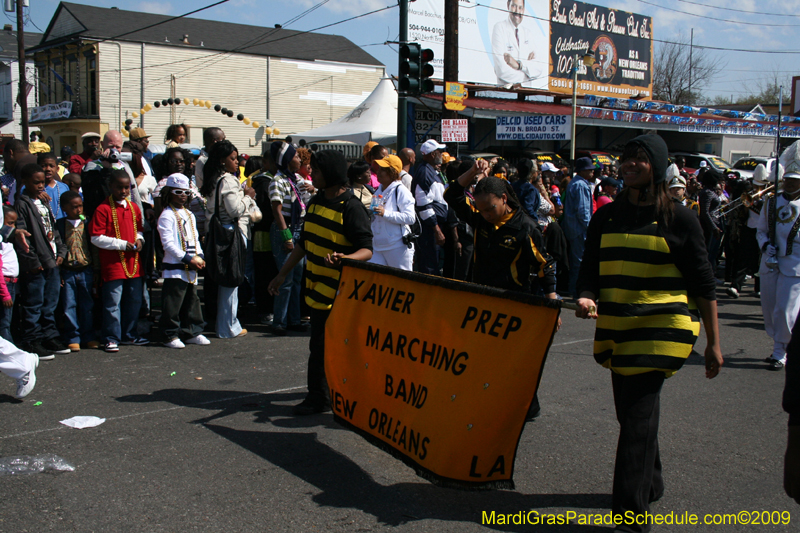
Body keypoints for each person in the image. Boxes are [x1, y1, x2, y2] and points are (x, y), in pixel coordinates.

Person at [575, 134, 722, 533]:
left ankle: (630, 518)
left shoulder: (680, 218)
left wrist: (714, 343)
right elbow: (589, 268)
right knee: (631, 417)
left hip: (661, 331)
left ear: (657, 166)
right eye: (626, 158)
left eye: (639, 159)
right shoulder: (606, 216)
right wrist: (586, 295)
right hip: (618, 328)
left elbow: (704, 283)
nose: (629, 164)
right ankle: (651, 482)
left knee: (637, 422)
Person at [268, 149, 373, 415]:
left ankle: (320, 398)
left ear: (332, 173)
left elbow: (366, 250)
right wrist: (282, 274)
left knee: (322, 347)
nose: (311, 173)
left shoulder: (351, 208)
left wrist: (346, 259)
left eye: (316, 169)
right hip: (315, 289)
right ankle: (327, 395)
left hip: (339, 293)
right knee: (320, 346)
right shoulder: (316, 201)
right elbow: (304, 243)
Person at [14, 163, 69, 360]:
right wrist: (32, 261)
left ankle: (49, 336)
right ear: (24, 182)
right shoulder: (22, 204)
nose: (40, 186)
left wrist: (61, 251)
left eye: (42, 182)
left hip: (52, 259)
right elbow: (23, 237)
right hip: (37, 264)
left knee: (50, 303)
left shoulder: (44, 202)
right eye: (35, 182)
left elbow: (53, 229)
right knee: (34, 303)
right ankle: (32, 339)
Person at [201, 140, 255, 339]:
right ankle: (229, 326)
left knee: (223, 281)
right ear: (222, 160)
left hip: (217, 233)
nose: (237, 162)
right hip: (231, 234)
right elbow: (235, 210)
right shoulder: (229, 181)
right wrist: (248, 196)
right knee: (231, 281)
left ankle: (225, 324)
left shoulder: (213, 179)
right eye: (233, 158)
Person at [90, 169, 148, 352]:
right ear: (111, 187)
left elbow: (139, 230)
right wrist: (121, 244)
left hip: (133, 263)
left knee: (134, 301)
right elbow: (96, 237)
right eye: (119, 187)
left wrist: (139, 240)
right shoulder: (103, 209)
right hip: (113, 264)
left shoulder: (133, 207)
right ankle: (111, 337)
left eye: (126, 187)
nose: (123, 191)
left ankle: (129, 335)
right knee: (113, 303)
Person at [757, 142, 800, 371]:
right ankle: (779, 346)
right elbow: (761, 230)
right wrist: (765, 245)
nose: (790, 183)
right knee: (770, 309)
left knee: (785, 310)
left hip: (795, 266)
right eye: (788, 179)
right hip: (771, 263)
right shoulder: (771, 201)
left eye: (795, 180)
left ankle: (780, 352)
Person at [158, 174, 210, 349]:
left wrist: (200, 256)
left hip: (191, 265)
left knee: (192, 300)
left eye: (186, 192)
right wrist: (188, 258)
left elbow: (195, 238)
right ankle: (169, 334)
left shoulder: (189, 214)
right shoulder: (166, 215)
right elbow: (168, 244)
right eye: (178, 192)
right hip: (176, 267)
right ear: (169, 193)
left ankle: (192, 331)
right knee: (173, 302)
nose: (182, 196)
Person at [267, 141, 306, 336]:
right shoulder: (278, 181)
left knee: (297, 277)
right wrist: (286, 236)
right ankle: (279, 322)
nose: (299, 159)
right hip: (286, 229)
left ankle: (294, 319)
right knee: (286, 278)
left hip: (298, 228)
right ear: (287, 159)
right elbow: (277, 210)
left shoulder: (296, 178)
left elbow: (305, 198)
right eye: (296, 156)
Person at [56, 191, 98, 351]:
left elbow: (94, 247)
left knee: (87, 305)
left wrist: (96, 269)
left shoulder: (87, 223)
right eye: (74, 207)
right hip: (68, 271)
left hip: (86, 269)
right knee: (69, 305)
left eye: (80, 206)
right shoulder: (60, 225)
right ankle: (72, 337)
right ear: (64, 208)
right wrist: (59, 272)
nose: (78, 210)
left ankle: (89, 336)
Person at [369, 155, 416, 271]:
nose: (379, 172)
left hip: (398, 246)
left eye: (383, 169)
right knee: (375, 278)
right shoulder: (379, 190)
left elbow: (410, 218)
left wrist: (385, 213)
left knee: (402, 280)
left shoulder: (401, 190)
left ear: (393, 172)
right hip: (377, 246)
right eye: (379, 168)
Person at [412, 139, 448, 275]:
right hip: (429, 229)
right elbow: (424, 206)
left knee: (434, 263)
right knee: (429, 266)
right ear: (433, 154)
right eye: (439, 152)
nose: (441, 154)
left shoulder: (431, 171)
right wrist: (436, 230)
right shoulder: (425, 173)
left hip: (434, 227)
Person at [251, 150, 279, 323]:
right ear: (266, 163)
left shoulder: (277, 180)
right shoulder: (263, 182)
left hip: (272, 232)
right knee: (265, 272)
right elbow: (263, 211)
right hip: (263, 234)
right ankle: (264, 309)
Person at [491, 0, 545, 87]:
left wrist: (519, 65)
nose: (517, 11)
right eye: (514, 6)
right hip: (505, 91)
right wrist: (527, 76)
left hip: (525, 92)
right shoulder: (499, 28)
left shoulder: (527, 33)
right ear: (508, 5)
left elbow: (539, 68)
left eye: (520, 8)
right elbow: (501, 69)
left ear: (523, 10)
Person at [563, 157, 595, 296]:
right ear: (582, 170)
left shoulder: (575, 182)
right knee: (579, 262)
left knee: (576, 261)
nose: (592, 172)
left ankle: (574, 288)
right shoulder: (581, 185)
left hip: (572, 227)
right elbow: (583, 211)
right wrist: (590, 228)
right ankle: (576, 290)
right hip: (579, 229)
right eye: (589, 169)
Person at [698, 170, 723, 273]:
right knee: (708, 252)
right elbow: (705, 212)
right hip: (709, 226)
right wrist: (713, 227)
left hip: (714, 224)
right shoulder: (707, 192)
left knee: (713, 252)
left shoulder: (711, 191)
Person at [0, 207, 18, 343]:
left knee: (8, 320)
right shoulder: (1, 244)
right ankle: (7, 349)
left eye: (14, 223)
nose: (13, 227)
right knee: (4, 322)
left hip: (12, 284)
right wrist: (5, 294)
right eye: (10, 223)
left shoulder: (7, 242)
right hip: (5, 286)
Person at [38, 152, 71, 220]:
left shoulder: (64, 187)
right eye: (43, 166)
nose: (48, 169)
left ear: (57, 169)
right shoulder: (31, 188)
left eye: (51, 166)